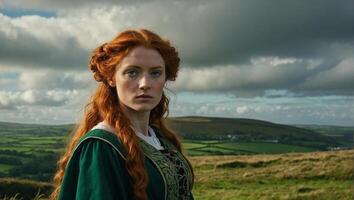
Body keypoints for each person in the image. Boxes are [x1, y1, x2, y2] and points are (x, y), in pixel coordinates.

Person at [50, 29, 194, 200]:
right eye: (132, 72)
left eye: (155, 73)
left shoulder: (159, 139)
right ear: (111, 78)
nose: (145, 84)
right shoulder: (102, 146)